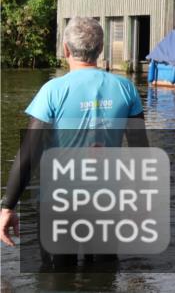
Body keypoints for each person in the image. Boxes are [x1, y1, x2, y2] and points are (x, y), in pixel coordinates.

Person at [0, 16, 148, 262]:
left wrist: (7, 206)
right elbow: (141, 152)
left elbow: (28, 153)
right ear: (100, 49)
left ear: (65, 49)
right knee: (103, 279)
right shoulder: (126, 89)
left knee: (57, 280)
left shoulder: (53, 90)